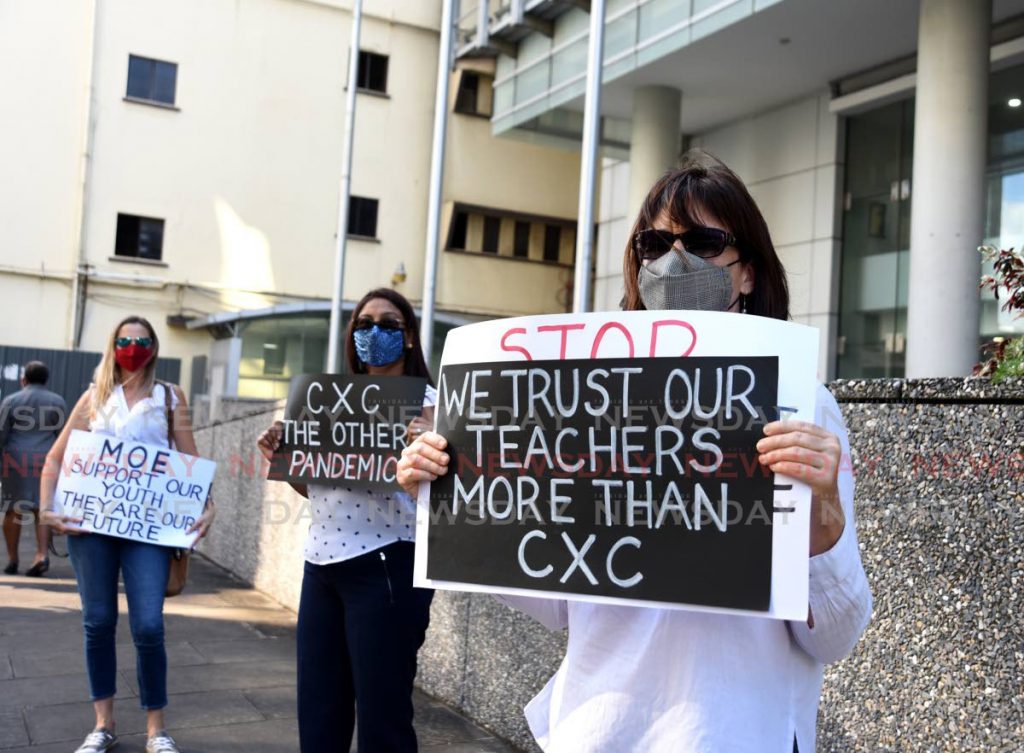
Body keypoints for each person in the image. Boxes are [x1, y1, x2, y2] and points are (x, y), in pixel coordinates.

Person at [397, 152, 873, 753]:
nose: (675, 261)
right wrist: (452, 504)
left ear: (747, 272)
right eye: (654, 244)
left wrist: (824, 522)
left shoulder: (802, 407)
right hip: (598, 731)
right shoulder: (588, 403)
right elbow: (561, 603)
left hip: (731, 734)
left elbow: (834, 638)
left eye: (703, 241)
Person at [256, 288, 436, 753]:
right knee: (319, 711)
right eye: (364, 323)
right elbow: (318, 488)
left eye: (388, 324)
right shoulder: (327, 400)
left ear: (410, 338)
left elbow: (448, 499)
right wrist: (286, 457)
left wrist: (426, 444)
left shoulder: (433, 405)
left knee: (383, 716)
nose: (374, 331)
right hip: (321, 568)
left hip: (389, 568)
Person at [39, 316, 216, 753]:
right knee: (97, 622)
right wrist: (46, 510)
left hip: (149, 532)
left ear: (153, 348)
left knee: (149, 626)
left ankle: (157, 730)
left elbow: (190, 461)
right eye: (124, 340)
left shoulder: (170, 397)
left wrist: (207, 505)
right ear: (112, 345)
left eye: (141, 341)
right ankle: (103, 724)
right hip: (91, 529)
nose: (133, 347)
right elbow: (54, 460)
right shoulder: (93, 398)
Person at [0, 360, 66, 576]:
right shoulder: (57, 401)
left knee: (13, 510)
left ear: (23, 379)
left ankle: (12, 559)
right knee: (42, 509)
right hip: (46, 461)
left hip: (16, 460)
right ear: (46, 380)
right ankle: (41, 555)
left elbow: (2, 434)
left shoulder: (11, 400)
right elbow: (62, 436)